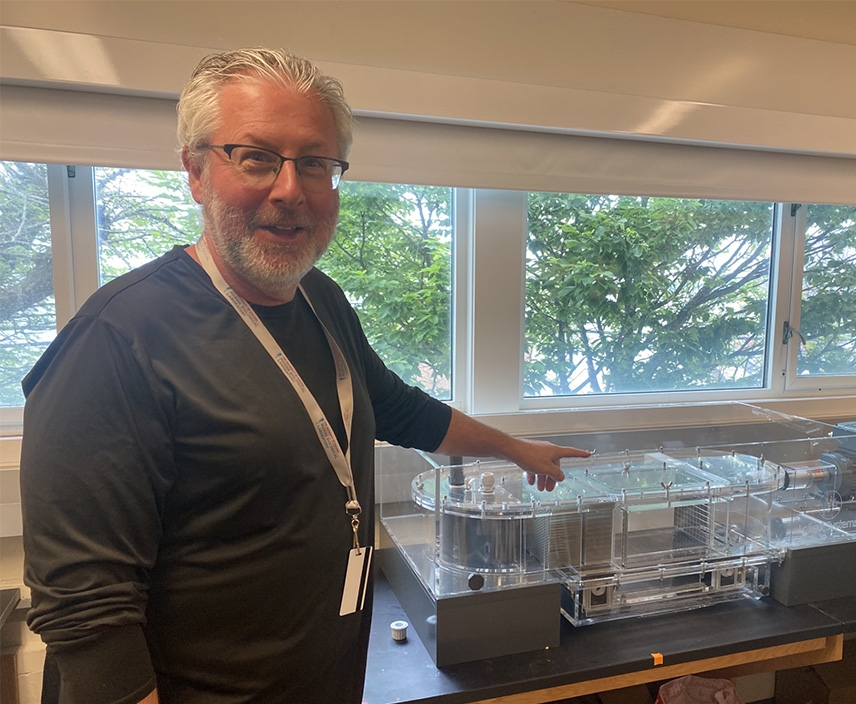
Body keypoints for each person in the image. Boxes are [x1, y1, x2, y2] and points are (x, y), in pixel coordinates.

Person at [19, 47, 590, 704]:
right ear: (196, 171)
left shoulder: (321, 299)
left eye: (315, 163)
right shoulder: (115, 340)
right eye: (256, 156)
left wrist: (516, 449)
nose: (290, 190)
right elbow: (88, 617)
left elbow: (397, 407)